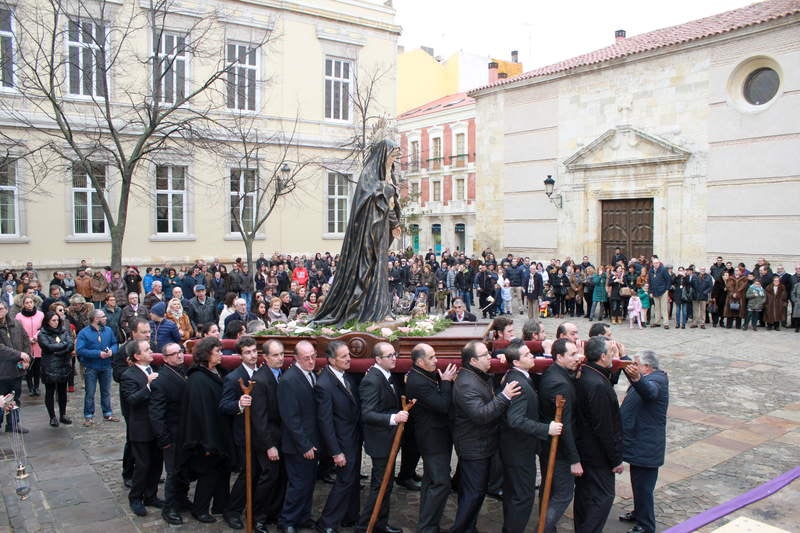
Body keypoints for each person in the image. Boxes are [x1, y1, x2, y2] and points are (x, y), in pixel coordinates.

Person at [313, 139, 402, 326]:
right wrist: (386, 189)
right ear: (383, 156)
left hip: (382, 229)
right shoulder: (369, 174)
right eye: (392, 156)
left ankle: (380, 309)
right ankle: (362, 309)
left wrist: (394, 223)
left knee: (380, 270)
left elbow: (391, 204)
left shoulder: (389, 175)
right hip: (367, 233)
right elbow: (370, 197)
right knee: (368, 268)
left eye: (396, 156)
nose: (394, 160)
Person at [450, 340, 521, 533]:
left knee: (472, 493)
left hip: (483, 443)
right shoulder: (466, 384)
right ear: (473, 360)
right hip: (474, 447)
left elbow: (487, 398)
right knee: (474, 493)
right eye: (485, 356)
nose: (490, 358)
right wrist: (505, 396)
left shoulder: (478, 374)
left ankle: (468, 527)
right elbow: (482, 414)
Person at [499, 339, 562, 533]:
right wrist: (546, 429)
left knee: (513, 494)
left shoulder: (516, 375)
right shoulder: (519, 383)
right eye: (527, 355)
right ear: (516, 362)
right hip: (518, 450)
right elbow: (515, 420)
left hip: (514, 448)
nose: (532, 356)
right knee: (523, 497)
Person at [175, 336, 233, 524]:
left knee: (222, 471)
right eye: (218, 352)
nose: (221, 355)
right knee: (208, 474)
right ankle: (200, 509)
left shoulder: (218, 372)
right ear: (207, 354)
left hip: (220, 431)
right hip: (205, 436)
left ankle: (221, 505)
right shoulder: (198, 379)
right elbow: (199, 414)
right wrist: (206, 442)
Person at [354, 341, 408, 533]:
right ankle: (364, 527)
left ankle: (379, 524)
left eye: (395, 354)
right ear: (378, 359)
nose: (394, 358)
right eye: (389, 356)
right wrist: (394, 418)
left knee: (387, 485)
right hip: (380, 442)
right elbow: (367, 414)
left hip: (388, 440)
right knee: (380, 486)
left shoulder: (387, 376)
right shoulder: (372, 380)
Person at [404, 343, 457, 533]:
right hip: (432, 439)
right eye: (432, 358)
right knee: (441, 483)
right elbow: (442, 404)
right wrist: (446, 382)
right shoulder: (417, 381)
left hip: (436, 436)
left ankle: (428, 524)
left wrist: (441, 380)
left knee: (430, 481)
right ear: (419, 361)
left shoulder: (422, 374)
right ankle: (427, 527)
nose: (436, 360)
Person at [573, 336, 624, 532]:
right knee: (603, 497)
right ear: (602, 356)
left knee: (585, 495)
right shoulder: (598, 385)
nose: (613, 356)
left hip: (586, 448)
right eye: (611, 353)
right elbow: (604, 427)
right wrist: (615, 459)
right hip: (597, 454)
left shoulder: (586, 373)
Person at [314, 340, 362, 533]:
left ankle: (350, 517)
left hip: (353, 438)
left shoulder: (345, 377)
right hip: (341, 443)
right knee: (344, 482)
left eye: (349, 355)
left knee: (353, 480)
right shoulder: (324, 385)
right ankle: (327, 523)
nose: (349, 359)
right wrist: (335, 452)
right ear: (332, 360)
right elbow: (325, 423)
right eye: (344, 357)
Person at [620, 352, 669, 533]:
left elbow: (649, 392)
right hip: (639, 443)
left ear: (646, 367)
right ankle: (638, 512)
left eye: (636, 364)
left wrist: (636, 378)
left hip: (646, 446)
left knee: (643, 488)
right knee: (638, 483)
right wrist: (623, 356)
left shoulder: (657, 381)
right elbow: (635, 377)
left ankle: (646, 525)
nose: (633, 366)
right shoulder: (647, 376)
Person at [538, 338, 581, 533]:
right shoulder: (559, 385)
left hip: (549, 445)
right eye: (572, 355)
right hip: (559, 450)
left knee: (555, 491)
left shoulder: (556, 374)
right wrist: (574, 460)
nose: (577, 357)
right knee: (563, 494)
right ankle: (544, 528)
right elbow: (566, 426)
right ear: (558, 357)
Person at [277, 340, 320, 533]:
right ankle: (287, 521)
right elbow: (290, 419)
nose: (311, 361)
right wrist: (305, 446)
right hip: (298, 445)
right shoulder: (289, 380)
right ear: (295, 358)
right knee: (298, 485)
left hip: (312, 441)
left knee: (308, 483)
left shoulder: (310, 374)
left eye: (313, 356)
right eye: (306, 358)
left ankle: (302, 517)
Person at [217, 336, 259, 530]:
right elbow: (224, 406)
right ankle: (232, 510)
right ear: (240, 355)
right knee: (247, 473)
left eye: (254, 351)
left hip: (261, 432)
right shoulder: (234, 378)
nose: (252, 355)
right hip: (244, 434)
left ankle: (253, 506)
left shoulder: (261, 372)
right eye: (247, 352)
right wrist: (239, 404)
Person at [120, 339, 163, 517]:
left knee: (156, 464)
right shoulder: (129, 375)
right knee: (143, 465)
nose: (151, 351)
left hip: (156, 426)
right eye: (147, 350)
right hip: (140, 427)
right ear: (137, 356)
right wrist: (148, 386)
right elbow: (131, 400)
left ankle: (151, 495)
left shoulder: (153, 369)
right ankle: (135, 497)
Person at [148, 342, 190, 526]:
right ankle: (170, 508)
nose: (179, 356)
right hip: (171, 435)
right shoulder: (161, 380)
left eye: (181, 352)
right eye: (174, 354)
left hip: (185, 432)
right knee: (173, 472)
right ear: (165, 358)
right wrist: (164, 439)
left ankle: (182, 499)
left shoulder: (183, 371)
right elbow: (156, 414)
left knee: (184, 470)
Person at [251, 339, 287, 530]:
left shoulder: (281, 374)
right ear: (265, 357)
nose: (280, 358)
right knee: (268, 477)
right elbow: (259, 418)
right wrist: (269, 446)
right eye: (275, 355)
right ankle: (258, 517)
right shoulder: (260, 379)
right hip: (267, 439)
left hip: (281, 436)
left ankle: (273, 512)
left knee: (280, 476)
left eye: (281, 354)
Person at [76, 309, 120, 426]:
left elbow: (115, 344)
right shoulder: (84, 333)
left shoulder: (108, 330)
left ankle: (107, 413)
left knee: (106, 391)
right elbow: (80, 350)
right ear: (96, 319)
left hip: (106, 366)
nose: (106, 318)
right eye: (103, 316)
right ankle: (88, 416)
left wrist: (112, 351)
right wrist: (97, 353)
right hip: (91, 366)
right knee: (90, 392)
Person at [38, 311, 74, 427]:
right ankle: (52, 416)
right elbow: (48, 347)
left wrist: (60, 349)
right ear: (47, 321)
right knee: (50, 392)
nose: (56, 322)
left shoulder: (63, 330)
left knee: (62, 392)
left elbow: (70, 344)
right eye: (53, 320)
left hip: (63, 365)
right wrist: (63, 347)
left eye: (57, 320)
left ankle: (63, 414)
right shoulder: (43, 333)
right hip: (50, 366)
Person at [15, 295, 43, 397]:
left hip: (38, 344)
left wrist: (36, 337)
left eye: (31, 302)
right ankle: (30, 386)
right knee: (28, 367)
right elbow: (18, 330)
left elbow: (42, 328)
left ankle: (36, 386)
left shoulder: (40, 314)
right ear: (23, 304)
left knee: (37, 367)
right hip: (26, 344)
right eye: (27, 303)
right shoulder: (19, 316)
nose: (29, 304)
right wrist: (28, 339)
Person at [647, 256, 672, 328]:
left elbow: (668, 280)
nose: (656, 264)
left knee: (664, 307)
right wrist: (650, 292)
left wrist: (667, 289)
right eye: (654, 263)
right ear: (652, 264)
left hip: (663, 291)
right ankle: (657, 322)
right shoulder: (650, 271)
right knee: (656, 308)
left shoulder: (663, 270)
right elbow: (650, 282)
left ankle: (666, 323)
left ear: (659, 263)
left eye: (657, 263)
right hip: (655, 292)